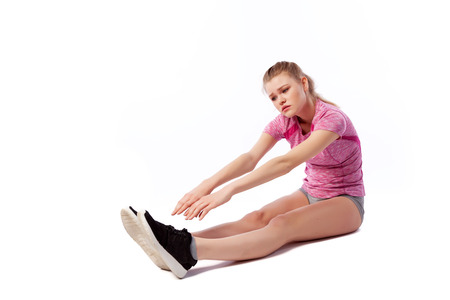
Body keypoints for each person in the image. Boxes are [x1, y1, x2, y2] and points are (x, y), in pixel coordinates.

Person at [121, 61, 365, 279]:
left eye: (284, 90)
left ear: (303, 83)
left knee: (281, 225)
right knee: (255, 218)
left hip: (346, 202)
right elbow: (250, 158)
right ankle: (173, 241)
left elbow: (286, 163)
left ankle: (188, 251)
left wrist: (230, 190)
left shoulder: (332, 119)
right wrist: (207, 185)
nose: (280, 100)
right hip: (310, 192)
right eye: (273, 97)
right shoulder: (284, 122)